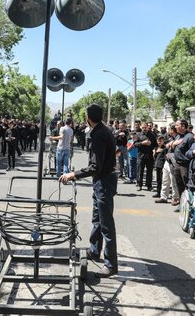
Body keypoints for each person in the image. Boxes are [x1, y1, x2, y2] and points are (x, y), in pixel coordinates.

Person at [60, 104, 118, 278]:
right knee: (97, 219)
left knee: (106, 224)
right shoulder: (103, 130)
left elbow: (95, 166)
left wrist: (73, 174)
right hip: (102, 180)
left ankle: (111, 264)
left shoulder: (99, 135)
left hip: (104, 181)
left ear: (88, 118)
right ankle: (94, 250)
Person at [134, 122, 157, 191]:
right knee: (140, 170)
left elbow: (155, 145)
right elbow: (135, 144)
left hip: (149, 155)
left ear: (148, 127)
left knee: (149, 171)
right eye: (142, 128)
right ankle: (139, 184)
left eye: (145, 127)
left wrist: (154, 150)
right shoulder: (138, 135)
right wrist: (142, 143)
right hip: (141, 155)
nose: (144, 129)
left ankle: (149, 185)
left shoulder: (152, 135)